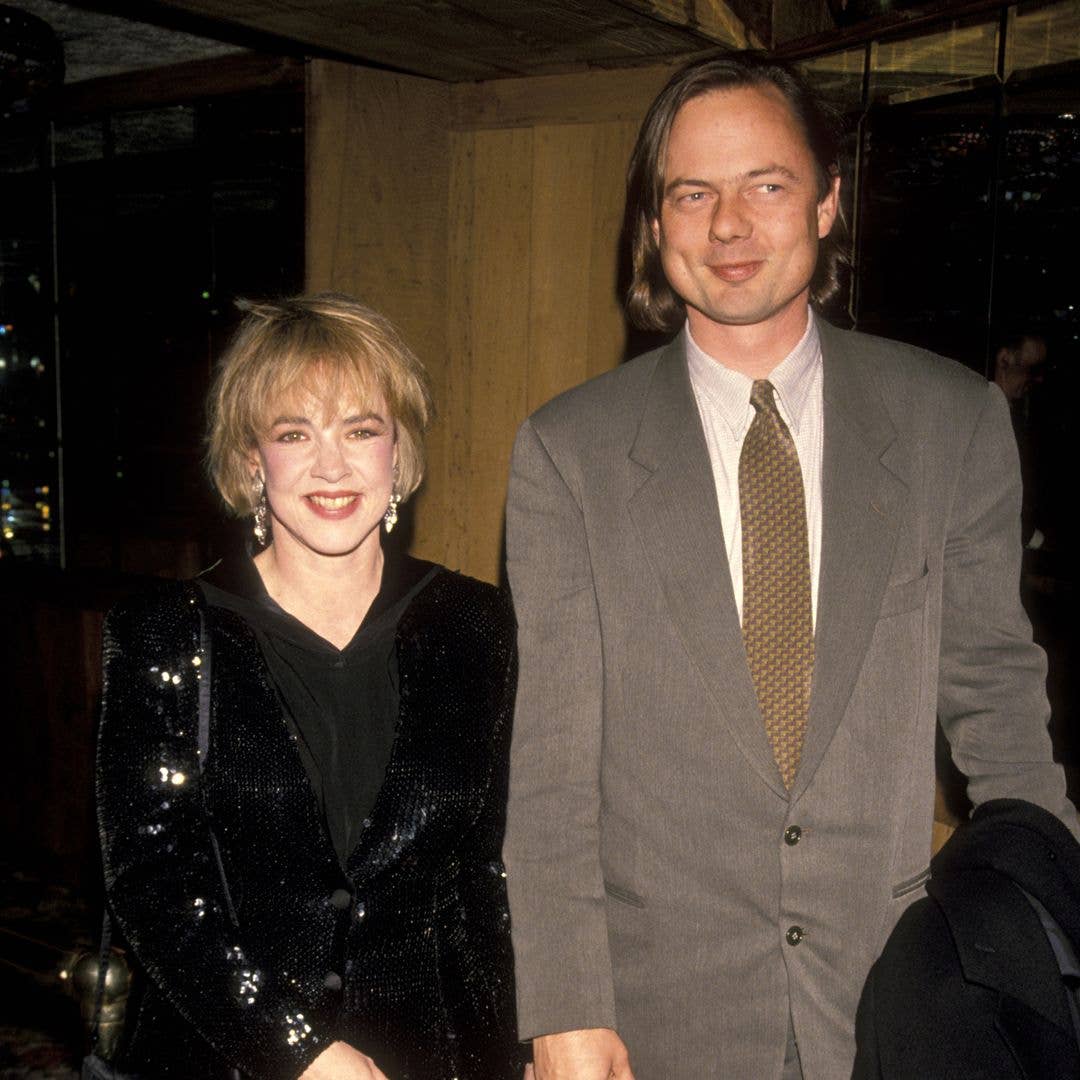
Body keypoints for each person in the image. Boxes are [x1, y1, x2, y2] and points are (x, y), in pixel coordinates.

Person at [502, 51, 1078, 1079]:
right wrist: (563, 1007)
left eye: (766, 184)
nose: (729, 225)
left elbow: (998, 705)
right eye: (693, 193)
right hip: (655, 1014)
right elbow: (549, 771)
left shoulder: (952, 423)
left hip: (906, 1002)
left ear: (825, 204)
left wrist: (1059, 943)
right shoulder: (569, 452)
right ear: (656, 223)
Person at [97, 293, 521, 1079]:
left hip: (434, 1055)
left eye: (361, 429)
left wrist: (523, 1043)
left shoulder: (477, 626)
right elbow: (150, 883)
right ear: (253, 461)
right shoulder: (167, 632)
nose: (333, 466)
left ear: (399, 450)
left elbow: (488, 872)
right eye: (296, 433)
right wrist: (297, 1049)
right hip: (225, 1057)